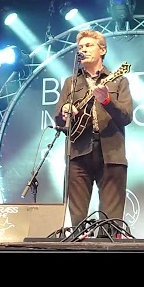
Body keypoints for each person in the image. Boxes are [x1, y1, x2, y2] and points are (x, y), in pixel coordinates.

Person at [54, 29, 134, 233]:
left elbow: (126, 117)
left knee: (110, 222)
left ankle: (107, 244)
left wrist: (107, 100)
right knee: (77, 220)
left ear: (102, 50)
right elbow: (59, 121)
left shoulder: (118, 80)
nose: (83, 49)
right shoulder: (71, 82)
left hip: (112, 152)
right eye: (80, 47)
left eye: (88, 45)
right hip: (78, 151)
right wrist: (65, 112)